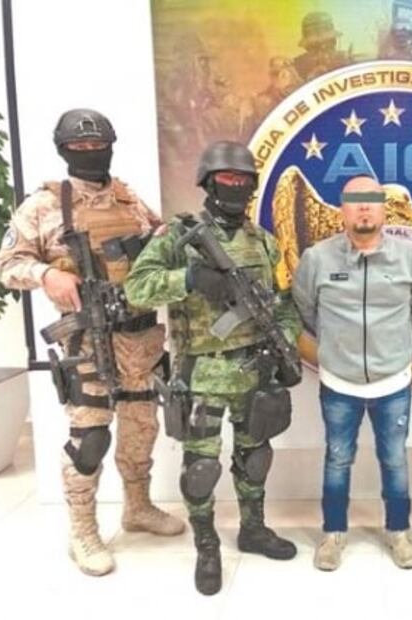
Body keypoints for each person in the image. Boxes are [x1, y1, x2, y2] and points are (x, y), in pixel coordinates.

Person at [0, 109, 184, 577]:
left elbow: (157, 245)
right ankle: (83, 530)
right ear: (62, 150)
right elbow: (7, 265)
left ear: (110, 146)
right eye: (78, 147)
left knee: (142, 428)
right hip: (87, 340)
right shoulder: (42, 206)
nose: (89, 152)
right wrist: (46, 274)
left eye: (97, 145)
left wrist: (164, 239)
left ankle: (137, 507)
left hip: (139, 338)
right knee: (90, 438)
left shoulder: (128, 199)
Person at [124, 141, 302, 595]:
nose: (236, 186)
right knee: (201, 467)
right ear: (207, 183)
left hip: (254, 368)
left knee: (255, 457)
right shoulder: (177, 235)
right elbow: (136, 289)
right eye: (227, 178)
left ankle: (253, 528)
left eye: (243, 180)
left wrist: (284, 344)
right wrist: (188, 278)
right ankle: (206, 543)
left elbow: (284, 302)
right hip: (202, 373)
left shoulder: (263, 241)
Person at [292, 175, 412, 571]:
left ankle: (399, 532)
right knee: (337, 459)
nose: (363, 207)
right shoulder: (317, 259)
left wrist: (393, 346)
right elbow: (305, 310)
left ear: (383, 208)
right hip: (338, 382)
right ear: (342, 209)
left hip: (393, 381)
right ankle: (333, 534)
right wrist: (337, 345)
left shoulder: (411, 259)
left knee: (394, 460)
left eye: (371, 200)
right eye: (355, 200)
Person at [292, 11, 352, 81]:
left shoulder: (346, 60)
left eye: (329, 45)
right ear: (307, 47)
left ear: (334, 42)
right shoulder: (296, 68)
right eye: (315, 47)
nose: (322, 50)